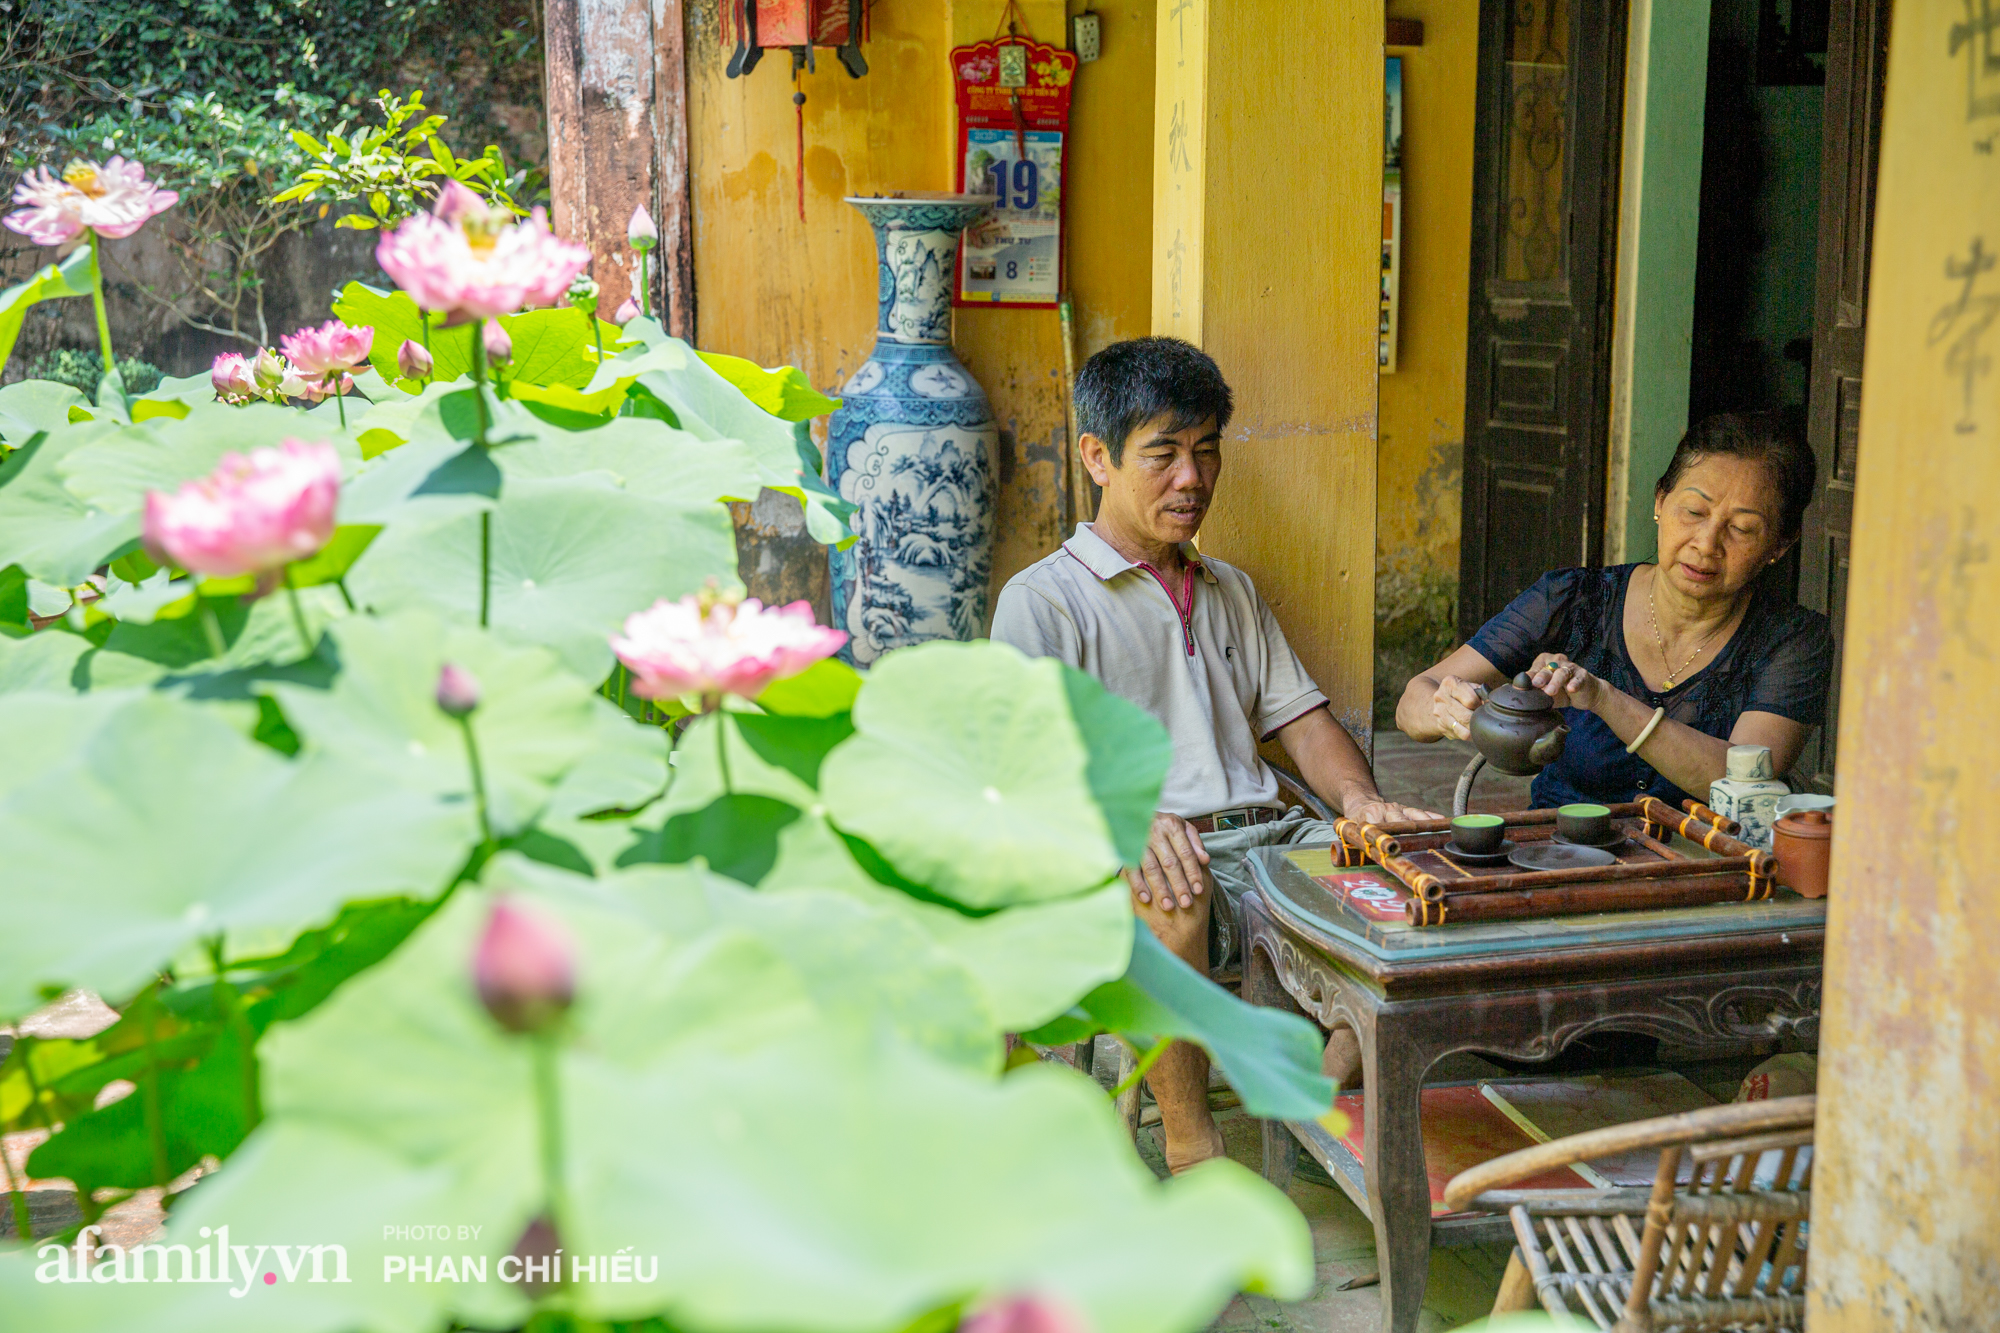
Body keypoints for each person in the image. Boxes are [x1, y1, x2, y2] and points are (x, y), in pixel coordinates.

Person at [991, 336, 1432, 1173]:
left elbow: (1303, 724)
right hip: (1145, 851)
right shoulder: (1043, 601)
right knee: (1169, 885)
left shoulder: (1229, 587)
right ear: (1097, 457)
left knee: (1409, 876)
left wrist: (1361, 802)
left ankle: (1319, 1080)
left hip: (1267, 839)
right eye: (1162, 455)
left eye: (1205, 452)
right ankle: (1194, 1139)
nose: (1191, 479)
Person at [1398, 413, 1834, 810]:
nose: (1706, 543)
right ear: (1660, 502)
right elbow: (1414, 700)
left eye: (1741, 529)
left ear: (1780, 545)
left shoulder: (1793, 639)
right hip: (1558, 855)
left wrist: (1604, 699)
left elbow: (1744, 781)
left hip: (1705, 865)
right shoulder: (1572, 598)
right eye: (1694, 511)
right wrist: (1445, 707)